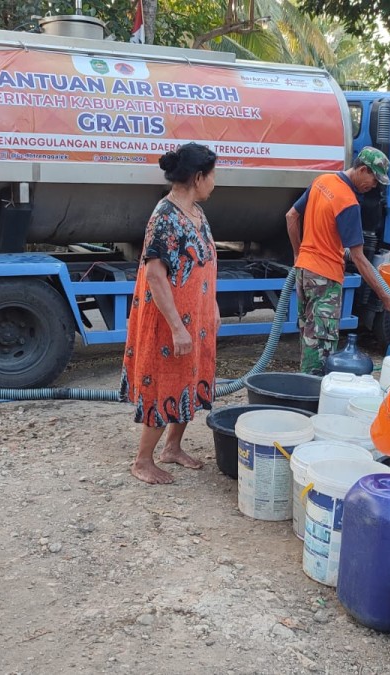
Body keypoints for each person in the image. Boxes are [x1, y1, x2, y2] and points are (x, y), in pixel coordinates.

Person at [120, 143, 220, 485]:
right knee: (165, 383)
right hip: (170, 321)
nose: (214, 182)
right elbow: (155, 275)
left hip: (199, 318)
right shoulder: (165, 217)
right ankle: (143, 460)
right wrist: (178, 328)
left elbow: (205, 263)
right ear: (198, 177)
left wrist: (213, 308)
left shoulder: (196, 212)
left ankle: (172, 448)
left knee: (190, 380)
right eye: (212, 175)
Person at [286, 147, 390, 374]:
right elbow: (359, 258)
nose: (374, 186)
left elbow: (291, 216)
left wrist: (298, 254)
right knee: (321, 346)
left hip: (304, 273)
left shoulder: (322, 180)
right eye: (374, 179)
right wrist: (385, 296)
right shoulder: (348, 202)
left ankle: (304, 386)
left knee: (309, 337)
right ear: (362, 169)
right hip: (326, 279)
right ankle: (313, 395)